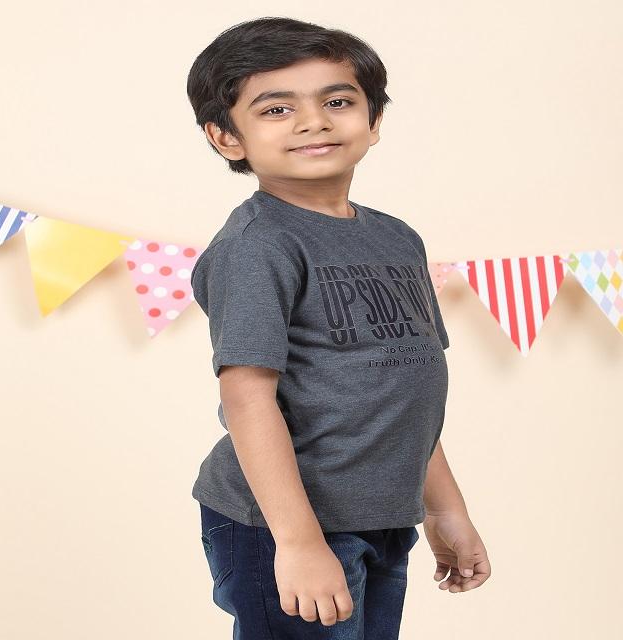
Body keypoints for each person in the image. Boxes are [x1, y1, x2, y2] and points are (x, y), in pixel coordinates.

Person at [186, 16, 491, 639]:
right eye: (277, 109)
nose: (313, 122)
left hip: (383, 515)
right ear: (226, 137)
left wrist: (445, 509)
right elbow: (247, 399)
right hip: (281, 523)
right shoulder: (258, 245)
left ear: (373, 121)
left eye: (337, 101)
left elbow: (406, 391)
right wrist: (297, 542)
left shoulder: (396, 238)